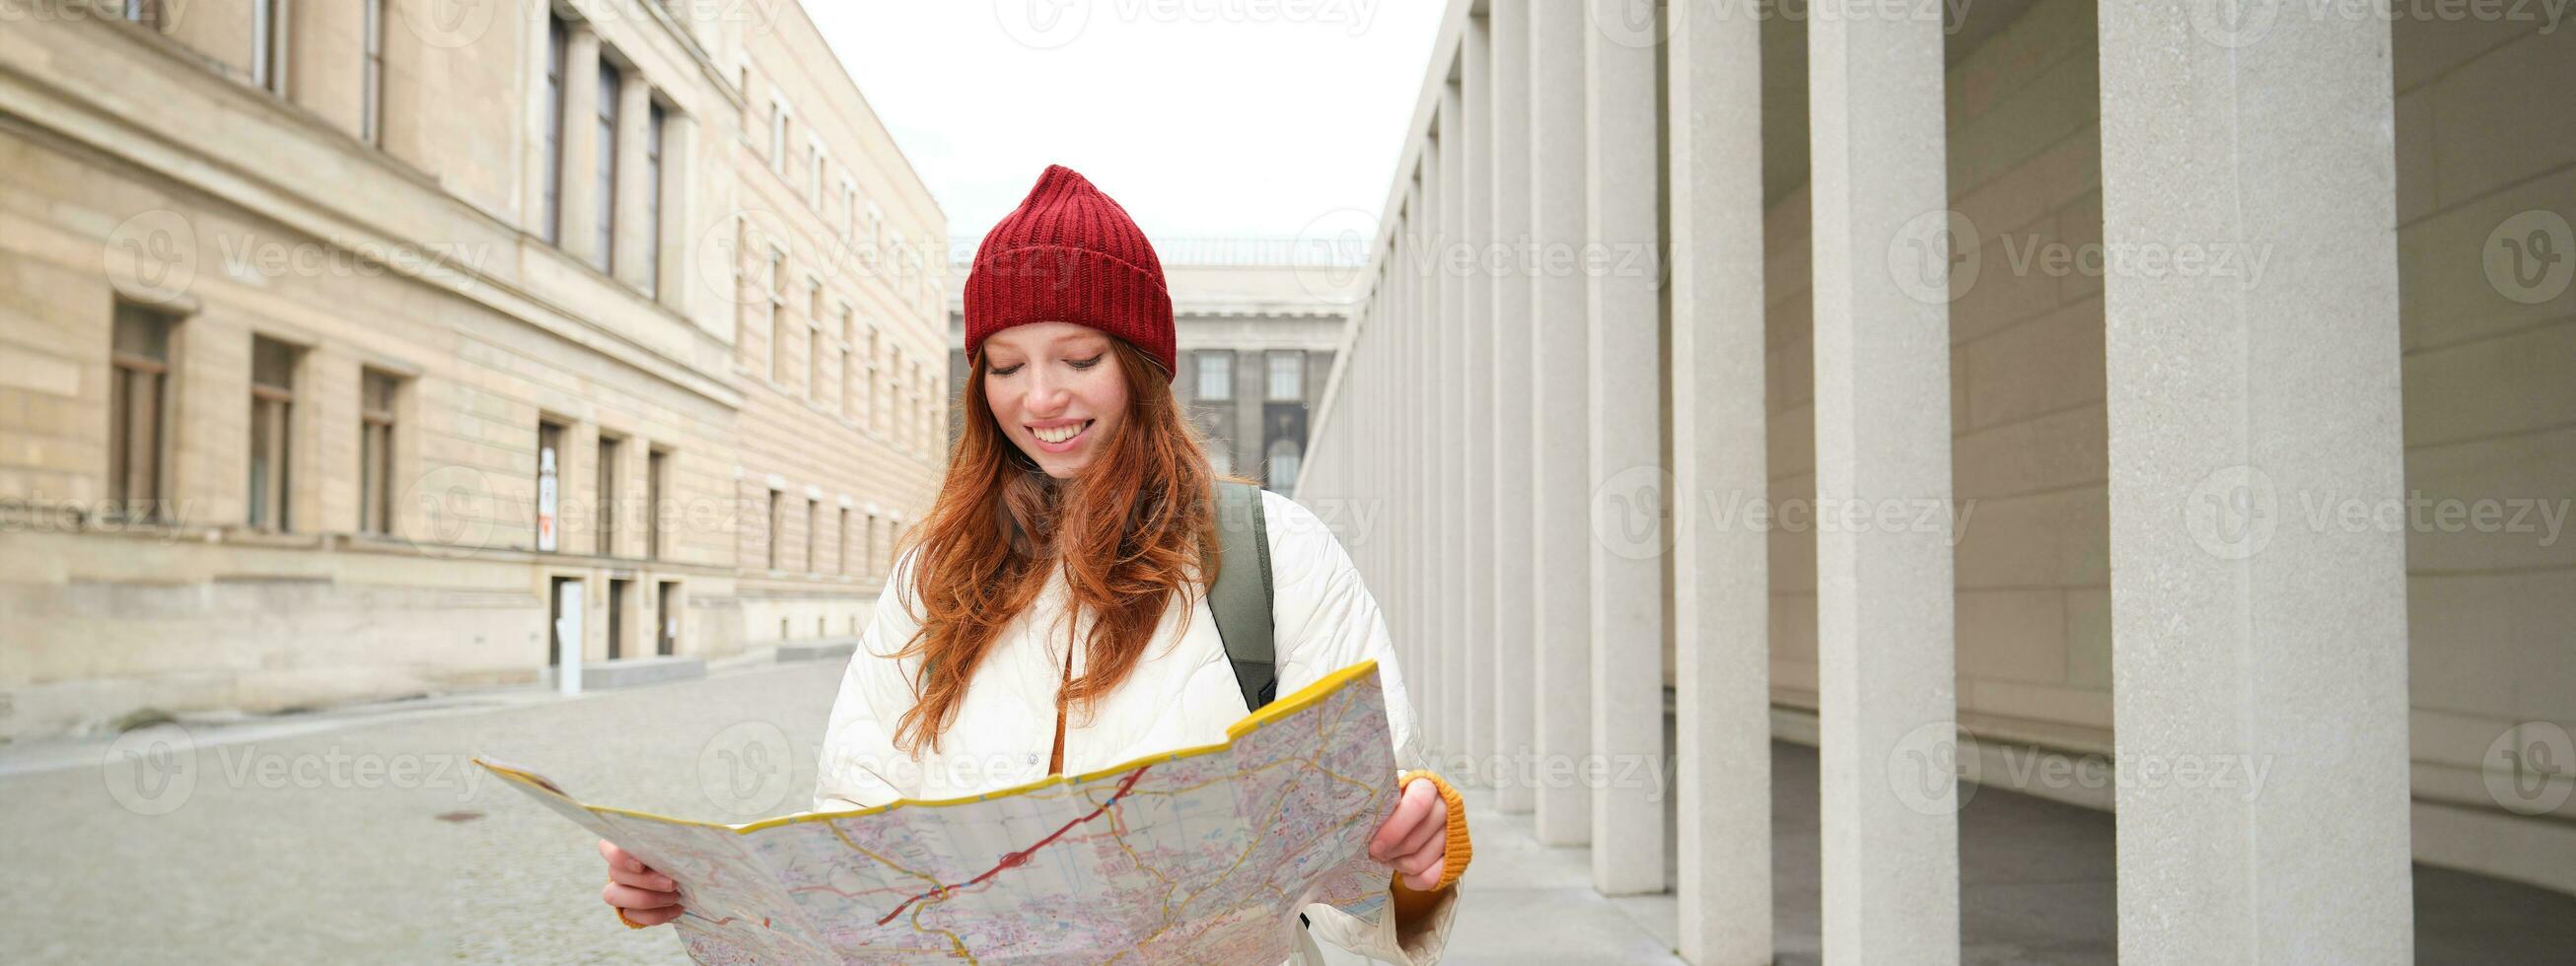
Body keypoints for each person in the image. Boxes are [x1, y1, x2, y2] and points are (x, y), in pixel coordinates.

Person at [597, 165, 1467, 962]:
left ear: (1141, 367)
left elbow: (1364, 857)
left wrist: (1416, 858)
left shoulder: (1276, 554)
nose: (1040, 398)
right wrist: (708, 894)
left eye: (1079, 359)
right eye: (1006, 366)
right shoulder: (930, 577)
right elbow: (859, 842)